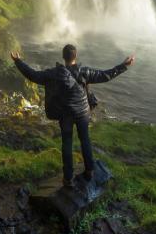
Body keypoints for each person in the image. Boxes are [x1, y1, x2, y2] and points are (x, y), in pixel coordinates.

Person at [10, 44, 134, 187]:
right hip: (82, 113)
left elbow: (33, 75)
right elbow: (105, 75)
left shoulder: (53, 73)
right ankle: (89, 171)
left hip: (65, 115)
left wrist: (18, 61)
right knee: (85, 140)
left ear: (63, 57)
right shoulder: (84, 71)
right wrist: (124, 65)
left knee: (67, 144)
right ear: (76, 56)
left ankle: (68, 179)